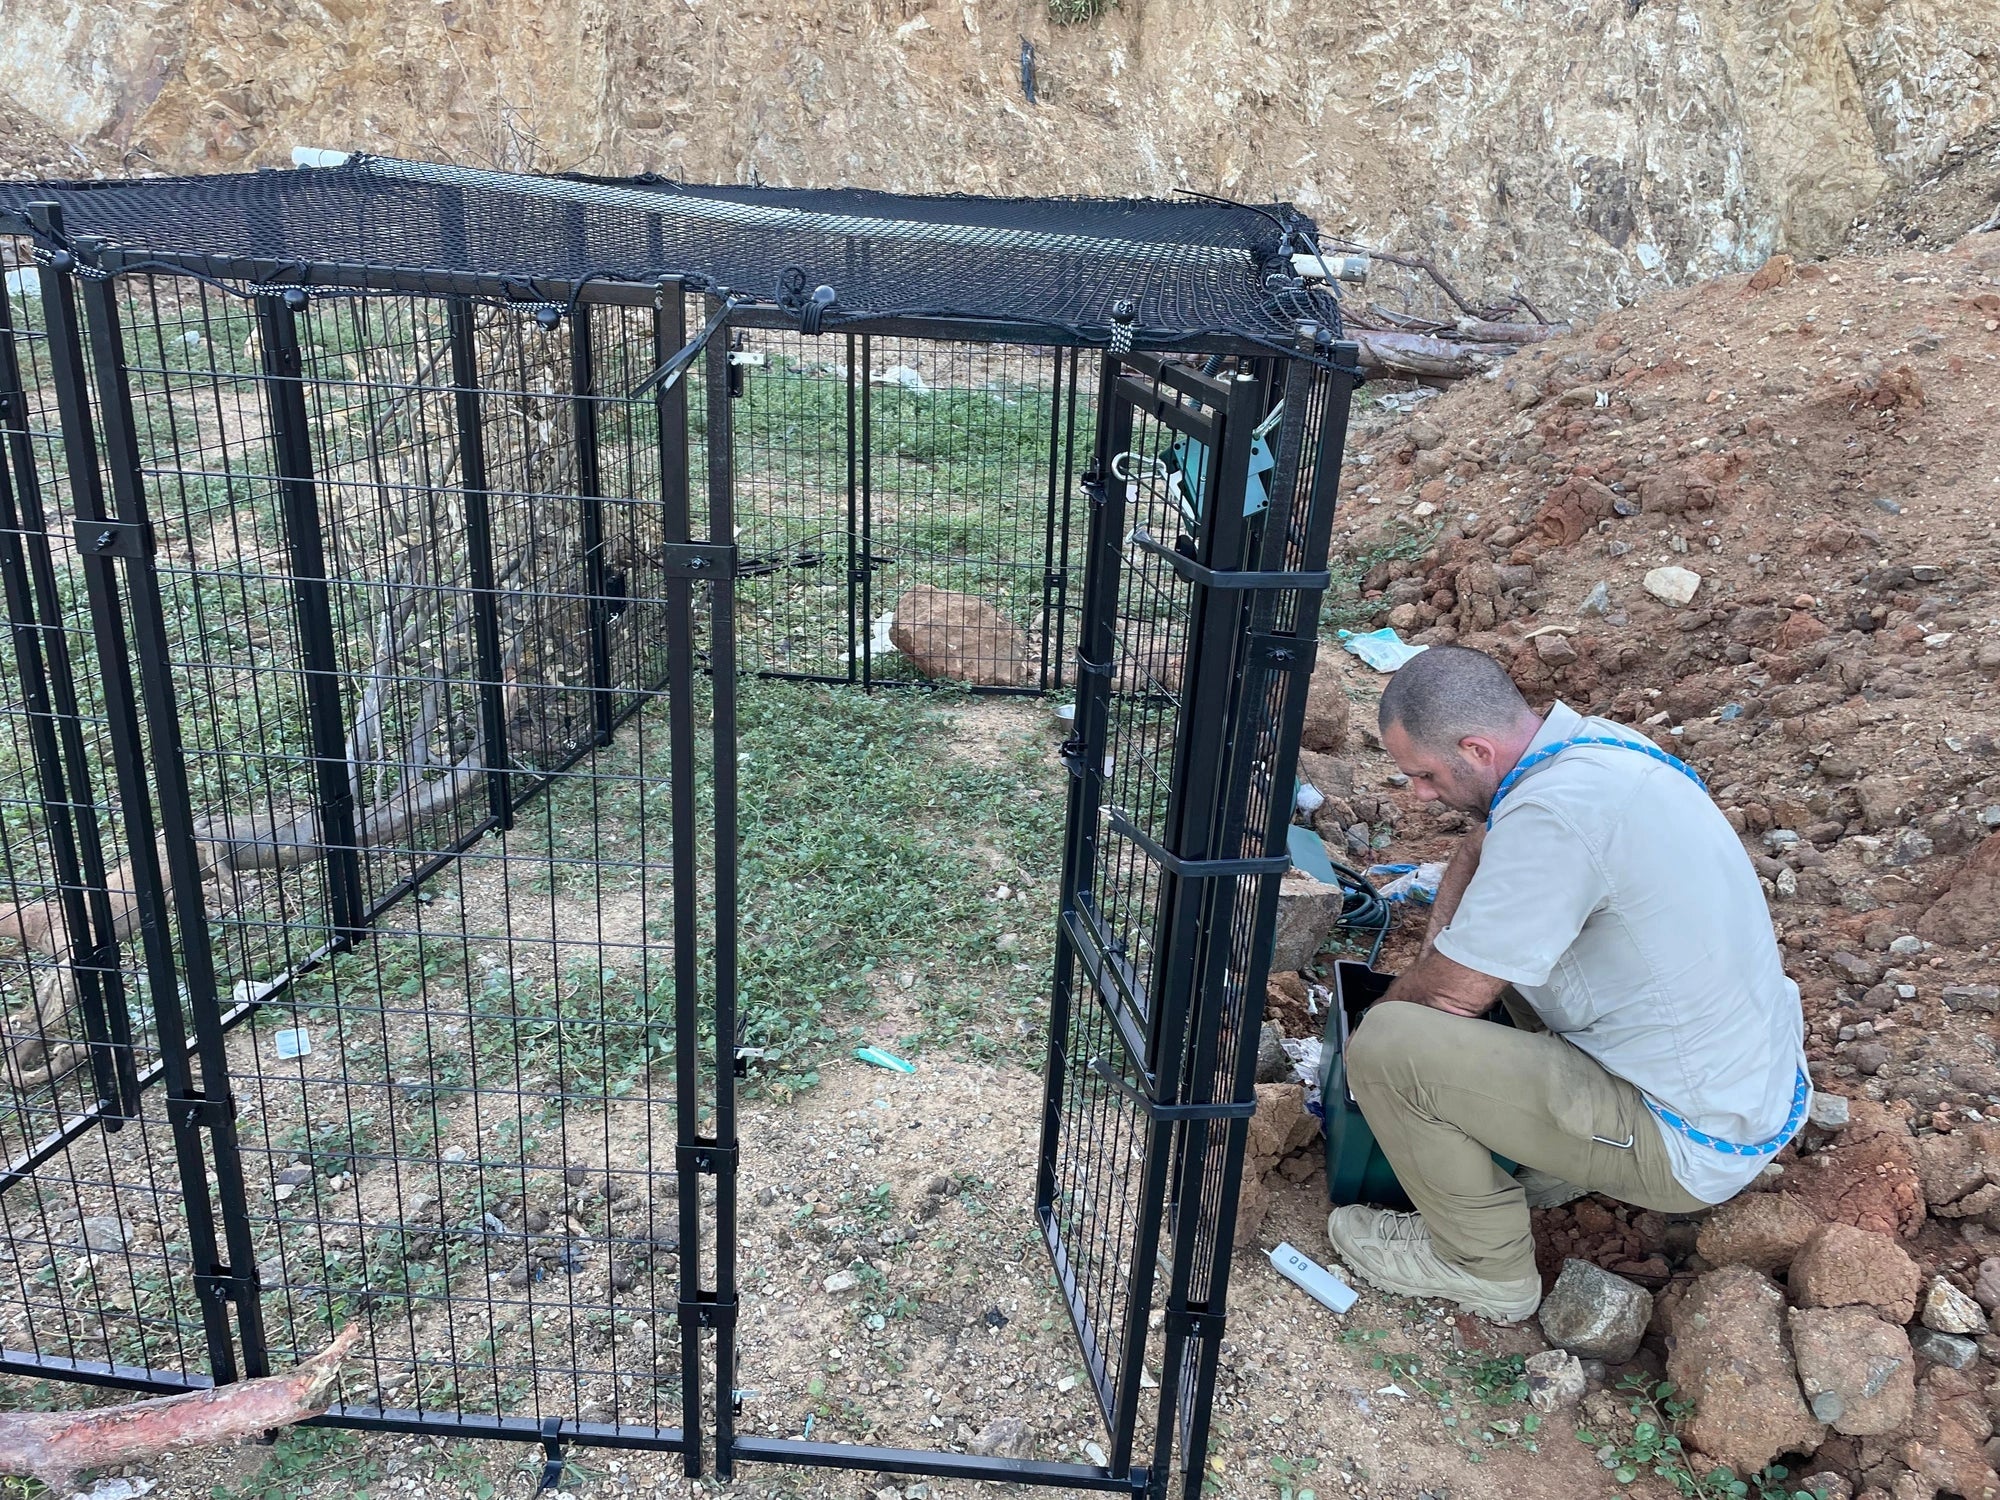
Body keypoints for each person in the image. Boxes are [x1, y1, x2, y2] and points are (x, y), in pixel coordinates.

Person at [1326, 645, 1808, 1323]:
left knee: (1387, 1047)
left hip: (1687, 1137)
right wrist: (1438, 948)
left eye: (1425, 775)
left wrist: (1384, 1016)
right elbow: (1481, 844)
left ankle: (1482, 1266)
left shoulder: (1554, 818)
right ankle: (1550, 1155)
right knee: (1490, 969)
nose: (1420, 795)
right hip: (1732, 1079)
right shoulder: (1587, 750)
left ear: (1476, 748)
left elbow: (1451, 995)